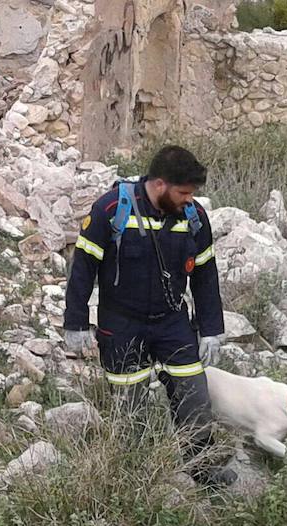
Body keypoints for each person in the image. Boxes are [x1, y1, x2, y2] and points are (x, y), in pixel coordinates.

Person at [63, 145, 236, 487]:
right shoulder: (110, 210)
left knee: (194, 395)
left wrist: (211, 329)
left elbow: (205, 275)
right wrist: (76, 323)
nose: (189, 199)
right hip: (121, 324)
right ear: (159, 184)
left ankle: (203, 468)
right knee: (131, 406)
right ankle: (136, 474)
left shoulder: (193, 217)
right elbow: (82, 269)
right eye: (184, 192)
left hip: (172, 322)